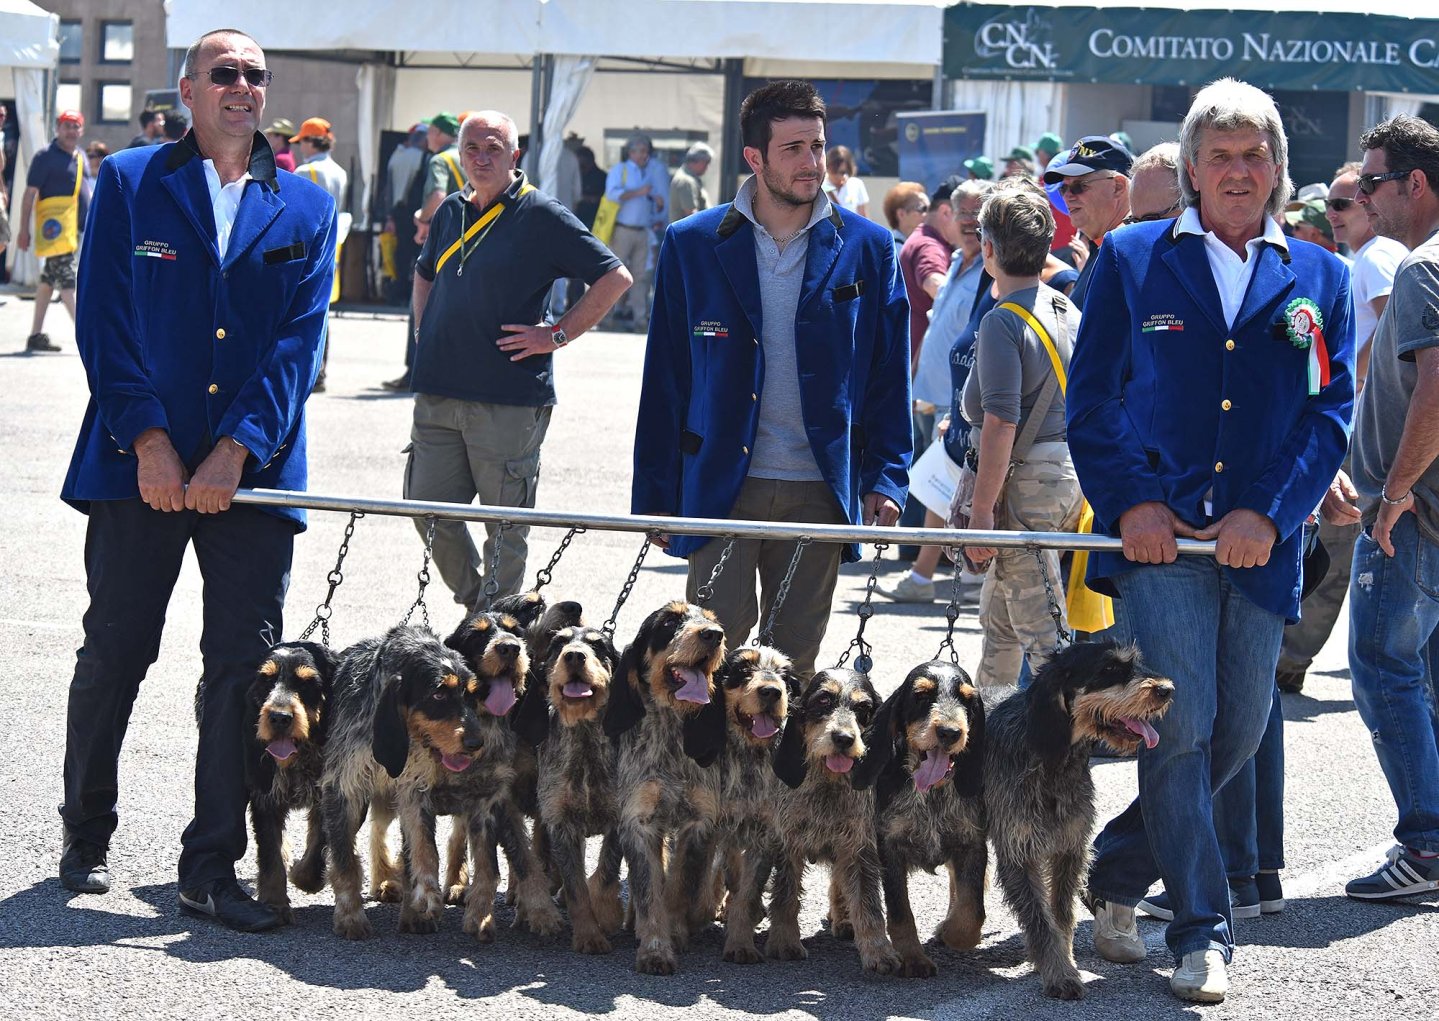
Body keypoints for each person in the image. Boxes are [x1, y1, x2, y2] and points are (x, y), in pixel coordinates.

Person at [1067, 78, 1352, 1003]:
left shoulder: (1323, 275)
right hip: (1159, 549)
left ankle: (1113, 870)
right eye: (1219, 156)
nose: (1238, 171)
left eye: (1254, 154)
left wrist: (1266, 511)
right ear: (1189, 168)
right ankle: (1200, 928)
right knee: (1179, 728)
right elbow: (1093, 399)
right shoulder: (1130, 258)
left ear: (1278, 168)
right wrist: (1134, 502)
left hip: (1260, 546)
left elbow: (1328, 413)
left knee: (1238, 728)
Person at [57, 27, 337, 933]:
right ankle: (86, 830)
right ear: (189, 89)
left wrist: (235, 449)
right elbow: (103, 319)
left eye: (257, 74)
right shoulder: (133, 181)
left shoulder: (303, 206)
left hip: (248, 478)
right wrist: (148, 439)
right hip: (134, 466)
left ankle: (208, 866)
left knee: (244, 673)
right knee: (116, 652)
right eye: (226, 74)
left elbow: (299, 344)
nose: (244, 87)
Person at [631, 79, 911, 678]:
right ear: (754, 158)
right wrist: (655, 496)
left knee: (791, 670)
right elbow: (666, 378)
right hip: (721, 486)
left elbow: (890, 374)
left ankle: (773, 776)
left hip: (817, 488)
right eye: (794, 148)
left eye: (817, 145)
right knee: (709, 663)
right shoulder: (692, 243)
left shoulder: (871, 247)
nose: (813, 162)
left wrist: (887, 475)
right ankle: (710, 776)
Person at [405, 111, 631, 608]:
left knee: (505, 524)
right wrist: (424, 328)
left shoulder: (541, 214)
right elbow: (424, 273)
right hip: (439, 389)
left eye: (493, 148)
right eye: (472, 149)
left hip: (508, 396)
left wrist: (557, 334)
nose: (482, 158)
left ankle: (497, 629)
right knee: (425, 510)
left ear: (515, 155)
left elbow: (615, 278)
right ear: (458, 154)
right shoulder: (449, 211)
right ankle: (479, 606)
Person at [1344, 114, 1439, 902]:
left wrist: (1395, 491)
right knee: (1424, 674)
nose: (1364, 195)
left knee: (1382, 668)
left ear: (1414, 184)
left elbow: (1434, 392)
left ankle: (1427, 843)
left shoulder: (1419, 270)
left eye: (1372, 181)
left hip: (1413, 515)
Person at [1272, 162, 1408, 696]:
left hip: (1364, 424)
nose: (1332, 215)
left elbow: (1396, 325)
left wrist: (1349, 381)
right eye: (1330, 204)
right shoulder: (1373, 255)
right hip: (1373, 421)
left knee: (1335, 543)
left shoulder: (1375, 257)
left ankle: (1290, 656)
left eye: (1343, 203)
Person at [953, 180, 1083, 682]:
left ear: (988, 247)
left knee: (1045, 640)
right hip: (1064, 477)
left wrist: (982, 513)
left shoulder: (1003, 320)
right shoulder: (1065, 308)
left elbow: (1000, 421)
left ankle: (1066, 751)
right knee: (1001, 623)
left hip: (1027, 483)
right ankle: (989, 734)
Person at [883, 178, 989, 603]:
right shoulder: (961, 263)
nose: (967, 222)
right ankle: (948, 574)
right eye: (960, 212)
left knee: (947, 489)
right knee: (943, 489)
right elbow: (939, 327)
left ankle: (929, 576)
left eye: (975, 214)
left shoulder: (989, 271)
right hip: (938, 396)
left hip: (962, 401)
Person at [383, 112, 463, 391]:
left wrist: (422, 217)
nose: (427, 138)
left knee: (421, 304)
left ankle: (414, 372)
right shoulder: (467, 158)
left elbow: (438, 196)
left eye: (430, 132)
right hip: (470, 245)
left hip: (442, 244)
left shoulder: (440, 159)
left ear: (439, 133)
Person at [17, 109, 88, 353]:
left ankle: (36, 335)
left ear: (82, 130)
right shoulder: (45, 157)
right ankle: (88, 337)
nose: (71, 131)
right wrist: (23, 230)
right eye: (66, 126)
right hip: (55, 233)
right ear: (57, 128)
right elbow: (29, 195)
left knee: (48, 280)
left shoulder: (79, 157)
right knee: (67, 281)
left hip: (72, 230)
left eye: (75, 126)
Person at [292, 117, 350, 392]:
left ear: (311, 140)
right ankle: (321, 370)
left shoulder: (306, 171)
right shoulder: (339, 171)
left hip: (306, 248)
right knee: (322, 308)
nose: (300, 147)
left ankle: (310, 372)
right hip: (333, 245)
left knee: (302, 309)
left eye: (302, 140)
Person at [1043, 135, 1133, 307]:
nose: (1068, 196)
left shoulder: (1131, 254)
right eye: (1064, 188)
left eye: (1079, 186)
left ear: (1118, 187)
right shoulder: (1102, 247)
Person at [602, 132, 668, 333]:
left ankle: (640, 318)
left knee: (641, 276)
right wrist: (640, 192)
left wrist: (656, 204)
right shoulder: (619, 170)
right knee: (614, 274)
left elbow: (648, 196)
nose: (644, 156)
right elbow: (612, 194)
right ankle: (606, 316)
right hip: (623, 229)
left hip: (643, 230)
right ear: (630, 152)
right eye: (640, 151)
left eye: (646, 152)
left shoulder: (647, 173)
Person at [669, 142, 713, 223]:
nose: (707, 167)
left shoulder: (690, 178)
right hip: (689, 234)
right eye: (706, 163)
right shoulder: (686, 181)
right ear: (698, 161)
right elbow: (692, 215)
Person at [881, 180, 928, 254]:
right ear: (901, 214)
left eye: (930, 209)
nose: (928, 214)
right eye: (923, 209)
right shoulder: (894, 250)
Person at [823, 144, 869, 217]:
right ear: (827, 168)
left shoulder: (857, 184)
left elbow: (864, 218)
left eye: (844, 172)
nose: (840, 176)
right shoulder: (820, 186)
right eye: (835, 172)